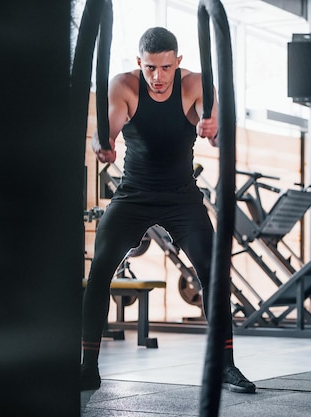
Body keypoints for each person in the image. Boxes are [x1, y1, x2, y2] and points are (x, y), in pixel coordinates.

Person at [81, 26, 255, 394]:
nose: (157, 78)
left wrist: (214, 128)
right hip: (134, 194)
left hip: (182, 195)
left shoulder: (196, 85)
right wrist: (103, 144)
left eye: (165, 68)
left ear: (178, 62)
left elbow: (221, 133)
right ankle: (87, 366)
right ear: (138, 64)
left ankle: (225, 366)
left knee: (214, 272)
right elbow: (105, 130)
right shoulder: (124, 85)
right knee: (99, 272)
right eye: (149, 69)